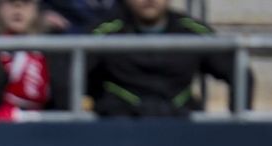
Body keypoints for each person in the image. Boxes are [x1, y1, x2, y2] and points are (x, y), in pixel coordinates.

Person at [89, 0, 251, 118]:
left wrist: (238, 125)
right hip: (119, 128)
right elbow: (74, 72)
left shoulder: (192, 32)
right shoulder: (105, 33)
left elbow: (239, 73)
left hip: (182, 129)